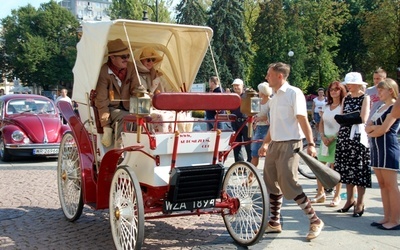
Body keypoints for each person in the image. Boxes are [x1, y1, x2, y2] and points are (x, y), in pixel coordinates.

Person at [258, 62, 323, 240]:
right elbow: (274, 125)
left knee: (289, 182)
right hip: (275, 144)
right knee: (271, 182)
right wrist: (265, 143)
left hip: (290, 143)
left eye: (269, 74)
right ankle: (274, 222)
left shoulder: (294, 93)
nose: (266, 77)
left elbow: (302, 119)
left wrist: (311, 143)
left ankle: (315, 220)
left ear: (280, 76)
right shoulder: (275, 97)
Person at [365, 78, 400, 230]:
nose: (378, 92)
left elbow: (384, 129)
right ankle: (387, 216)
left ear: (390, 90)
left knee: (391, 185)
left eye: (381, 89)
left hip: (387, 147)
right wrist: (373, 130)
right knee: (382, 184)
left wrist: (373, 130)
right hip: (376, 148)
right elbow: (368, 127)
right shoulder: (380, 107)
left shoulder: (394, 107)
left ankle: (395, 219)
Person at [334, 72, 371, 217]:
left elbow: (362, 118)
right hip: (345, 135)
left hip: (358, 136)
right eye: (347, 84)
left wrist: (347, 119)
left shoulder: (365, 98)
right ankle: (349, 200)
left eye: (350, 83)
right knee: (347, 169)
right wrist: (347, 119)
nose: (348, 86)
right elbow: (342, 116)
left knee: (359, 169)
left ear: (358, 84)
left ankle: (360, 202)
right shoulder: (347, 98)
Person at [95, 38, 140, 147]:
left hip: (129, 107)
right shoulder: (104, 71)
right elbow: (101, 100)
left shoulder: (131, 67)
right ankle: (119, 151)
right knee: (124, 117)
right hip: (111, 109)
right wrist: (106, 125)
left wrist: (141, 107)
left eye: (127, 56)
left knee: (145, 118)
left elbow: (136, 90)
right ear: (112, 57)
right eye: (123, 57)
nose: (126, 59)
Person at [312, 81, 346, 206]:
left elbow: (343, 124)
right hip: (325, 139)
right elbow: (322, 123)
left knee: (335, 169)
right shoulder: (326, 106)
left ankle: (337, 196)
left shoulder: (343, 106)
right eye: (331, 90)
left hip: (337, 139)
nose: (333, 92)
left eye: (336, 89)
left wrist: (332, 138)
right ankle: (320, 193)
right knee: (319, 167)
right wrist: (322, 136)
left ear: (341, 91)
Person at [250, 82, 272, 167]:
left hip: (268, 129)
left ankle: (269, 175)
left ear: (262, 92)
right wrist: (254, 120)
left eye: (259, 91)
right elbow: (252, 115)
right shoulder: (255, 101)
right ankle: (251, 176)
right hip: (258, 128)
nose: (258, 92)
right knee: (255, 153)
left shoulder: (271, 102)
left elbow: (271, 118)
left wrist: (261, 118)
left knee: (269, 154)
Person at [230, 78, 251, 162]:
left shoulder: (247, 96)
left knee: (248, 144)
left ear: (242, 86)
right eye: (234, 86)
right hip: (235, 122)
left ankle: (250, 163)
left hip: (245, 121)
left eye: (237, 86)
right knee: (236, 145)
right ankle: (239, 165)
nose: (236, 87)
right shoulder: (232, 96)